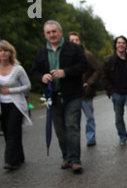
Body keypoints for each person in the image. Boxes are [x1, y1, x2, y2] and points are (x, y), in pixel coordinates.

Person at [32, 20, 88, 174]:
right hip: (54, 96)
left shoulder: (74, 48)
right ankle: (66, 157)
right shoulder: (41, 52)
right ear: (45, 35)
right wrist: (42, 77)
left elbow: (84, 66)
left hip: (72, 95)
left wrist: (65, 72)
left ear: (60, 32)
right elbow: (34, 71)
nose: (52, 35)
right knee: (60, 130)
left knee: (72, 126)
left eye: (54, 31)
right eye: (48, 32)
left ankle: (75, 160)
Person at [0, 40, 32, 169]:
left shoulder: (18, 69)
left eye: (5, 50)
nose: (3, 53)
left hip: (16, 104)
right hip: (0, 104)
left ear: (10, 52)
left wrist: (10, 90)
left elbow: (28, 86)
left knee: (13, 130)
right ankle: (19, 156)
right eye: (0, 50)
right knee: (7, 131)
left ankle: (11, 161)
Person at [68, 31, 101, 147]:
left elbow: (97, 70)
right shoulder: (66, 56)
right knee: (73, 121)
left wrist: (89, 83)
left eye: (76, 40)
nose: (75, 42)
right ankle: (74, 142)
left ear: (80, 41)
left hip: (86, 93)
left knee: (89, 117)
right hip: (72, 94)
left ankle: (90, 138)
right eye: (72, 40)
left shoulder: (87, 55)